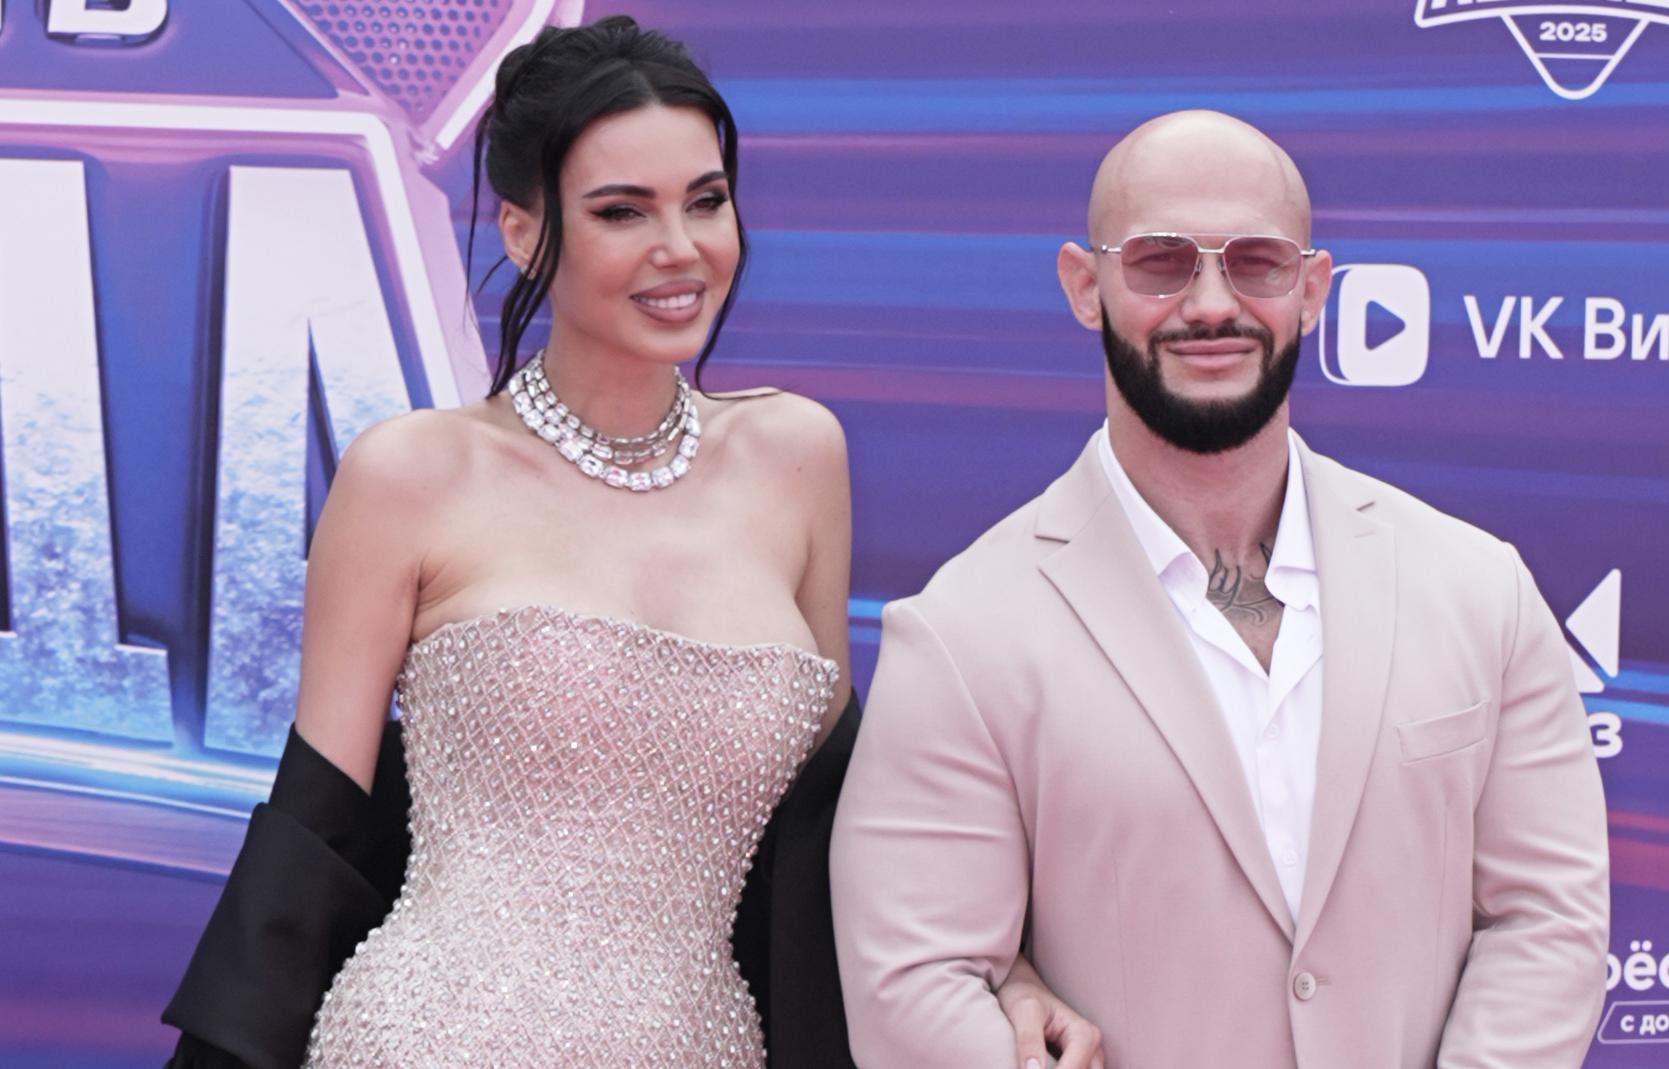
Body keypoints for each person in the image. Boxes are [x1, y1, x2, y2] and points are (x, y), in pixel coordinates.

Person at [161, 17, 1095, 1069]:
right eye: (621, 211)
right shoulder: (409, 474)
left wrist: (1000, 970)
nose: (681, 248)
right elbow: (315, 833)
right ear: (524, 233)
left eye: (706, 200)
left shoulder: (796, 455)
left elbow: (842, 815)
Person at [830, 109, 1611, 1068]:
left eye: (1256, 262)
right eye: (1160, 261)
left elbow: (1548, 918)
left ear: (1312, 289)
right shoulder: (963, 633)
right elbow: (914, 985)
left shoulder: (1479, 588)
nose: (1209, 304)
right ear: (1085, 285)